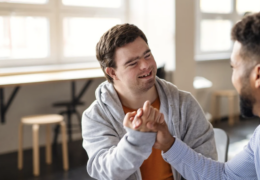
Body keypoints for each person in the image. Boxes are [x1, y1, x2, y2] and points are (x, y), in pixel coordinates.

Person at [125, 10, 260, 180]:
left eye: (234, 67)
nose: (232, 77)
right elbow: (226, 176)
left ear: (258, 75)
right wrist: (169, 143)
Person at [81, 23, 217, 180]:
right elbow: (106, 172)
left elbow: (209, 168)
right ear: (112, 72)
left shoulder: (184, 104)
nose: (146, 65)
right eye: (133, 63)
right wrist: (136, 139)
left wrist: (171, 145)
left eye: (147, 55)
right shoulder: (95, 116)